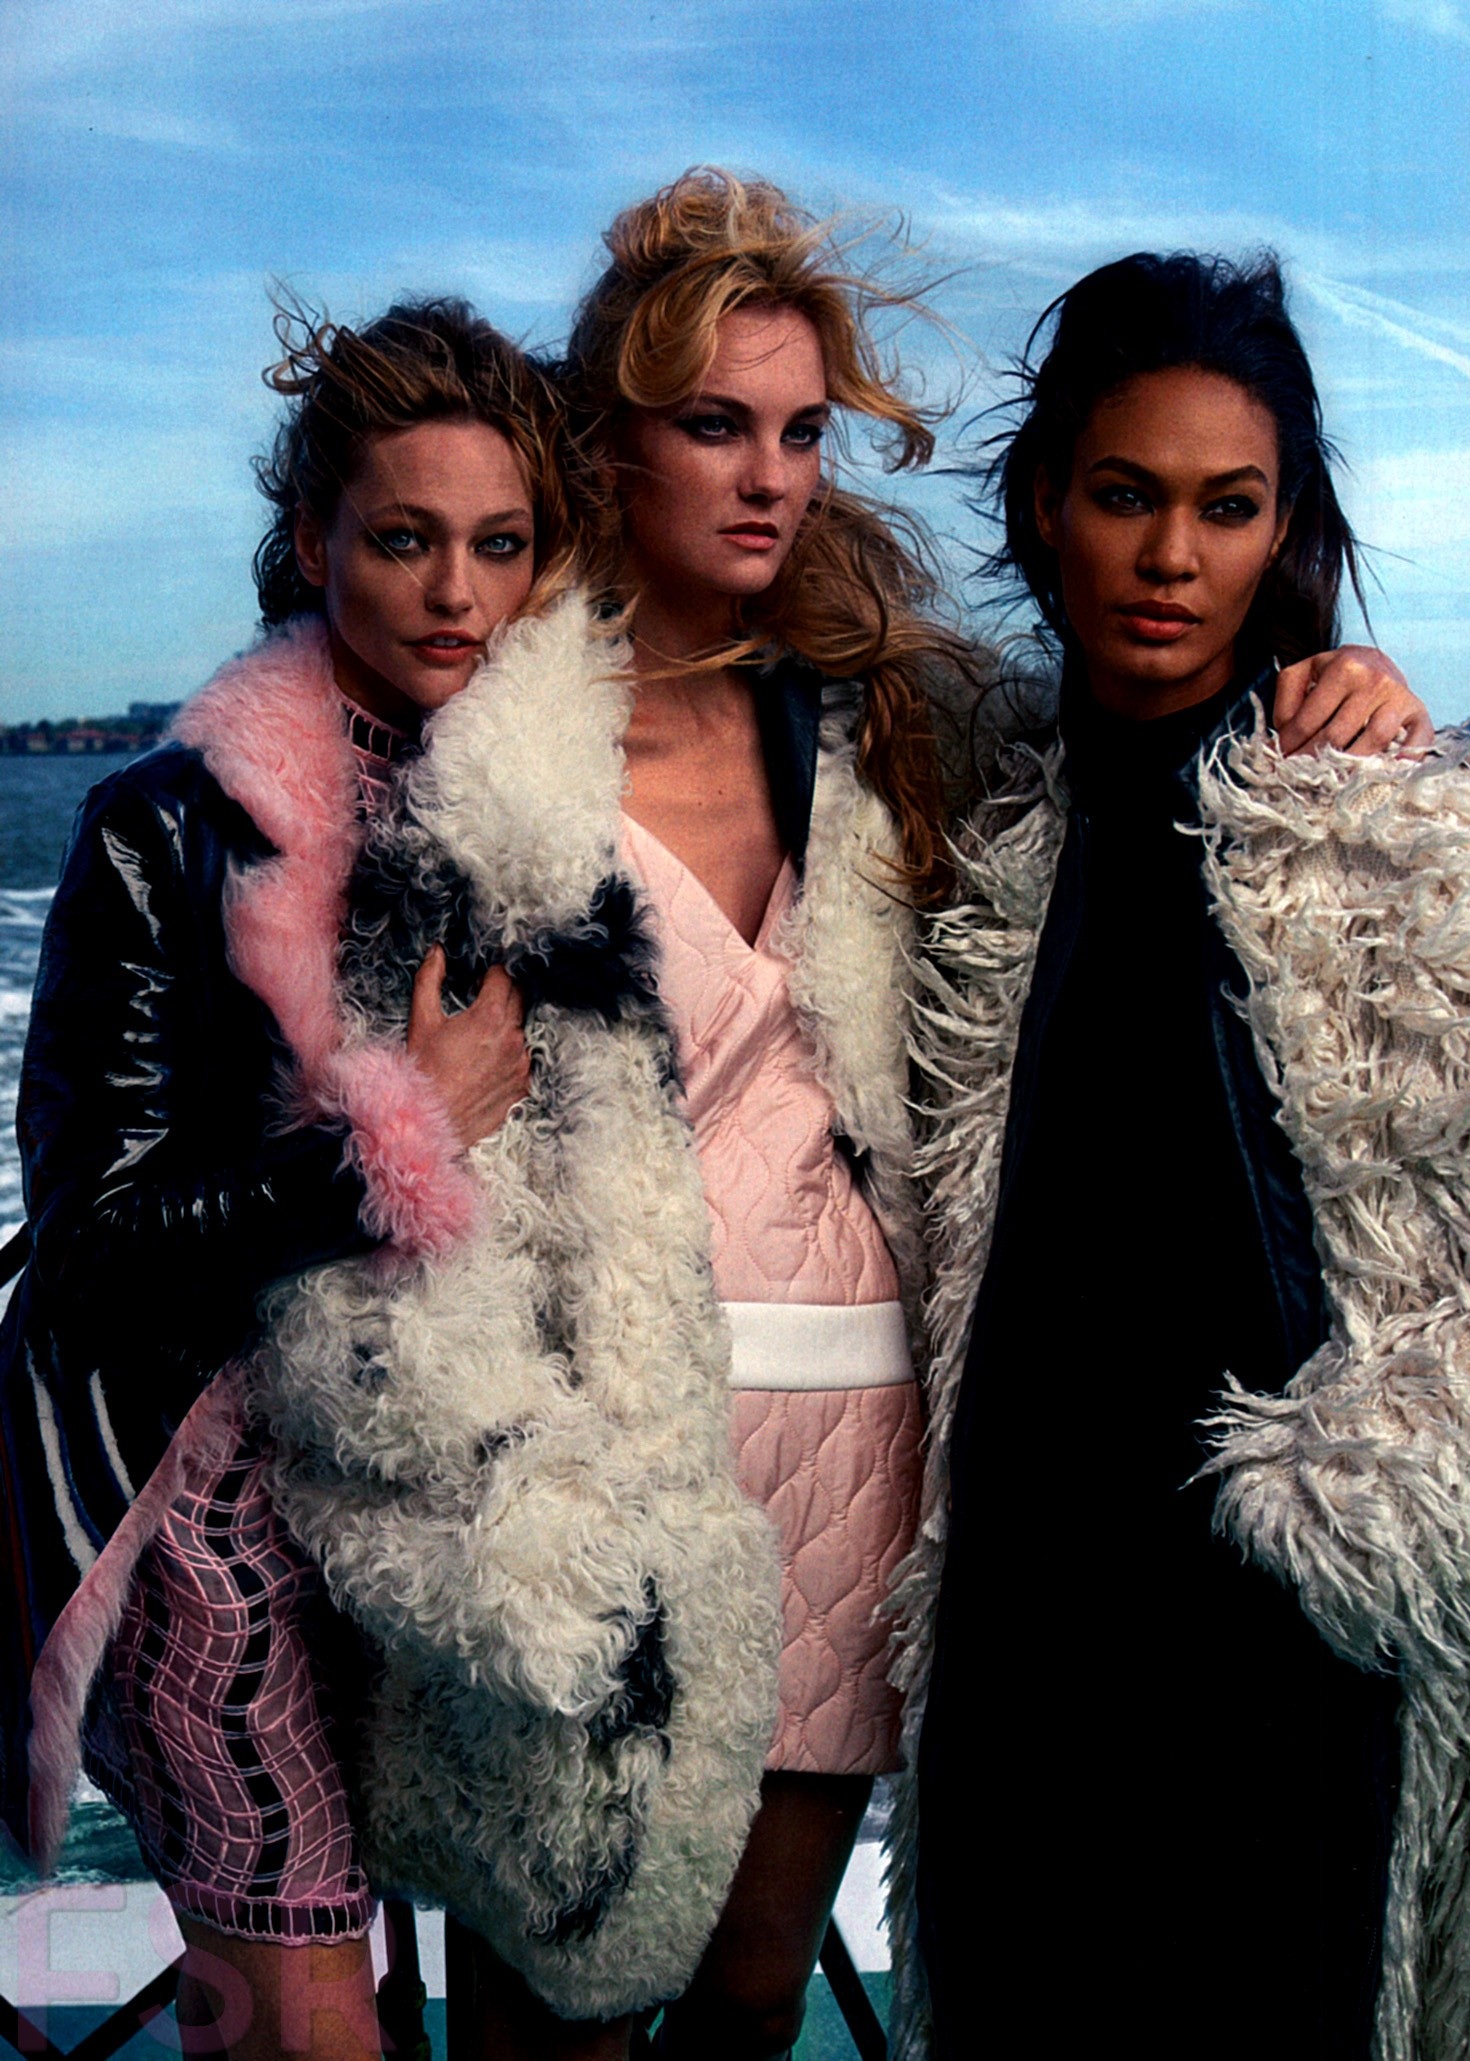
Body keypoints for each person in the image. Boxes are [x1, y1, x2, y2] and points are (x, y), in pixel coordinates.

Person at [258, 173, 1438, 2061]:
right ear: (608, 439)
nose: (769, 478)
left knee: (750, 2002)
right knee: (560, 2015)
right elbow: (369, 1121)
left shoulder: (888, 722)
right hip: (599, 1453)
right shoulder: (486, 747)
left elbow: (1139, 756)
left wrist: (1347, 676)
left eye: (801, 432)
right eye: (713, 425)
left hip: (851, 1436)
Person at [887, 249, 1470, 2058]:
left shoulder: (1405, 829)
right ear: (1045, 504)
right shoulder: (972, 816)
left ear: (1284, 533)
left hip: (1293, 1647)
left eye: (1227, 506)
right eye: (1127, 495)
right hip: (1027, 1630)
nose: (1172, 557)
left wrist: (1351, 1499)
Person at [0, 299, 576, 2061]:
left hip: (441, 1479)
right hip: (199, 1487)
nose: (456, 593)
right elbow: (92, 1248)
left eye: (500, 545)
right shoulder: (166, 824)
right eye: (404, 539)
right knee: (306, 2024)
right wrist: (397, 1136)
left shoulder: (544, 820)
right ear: (315, 533)